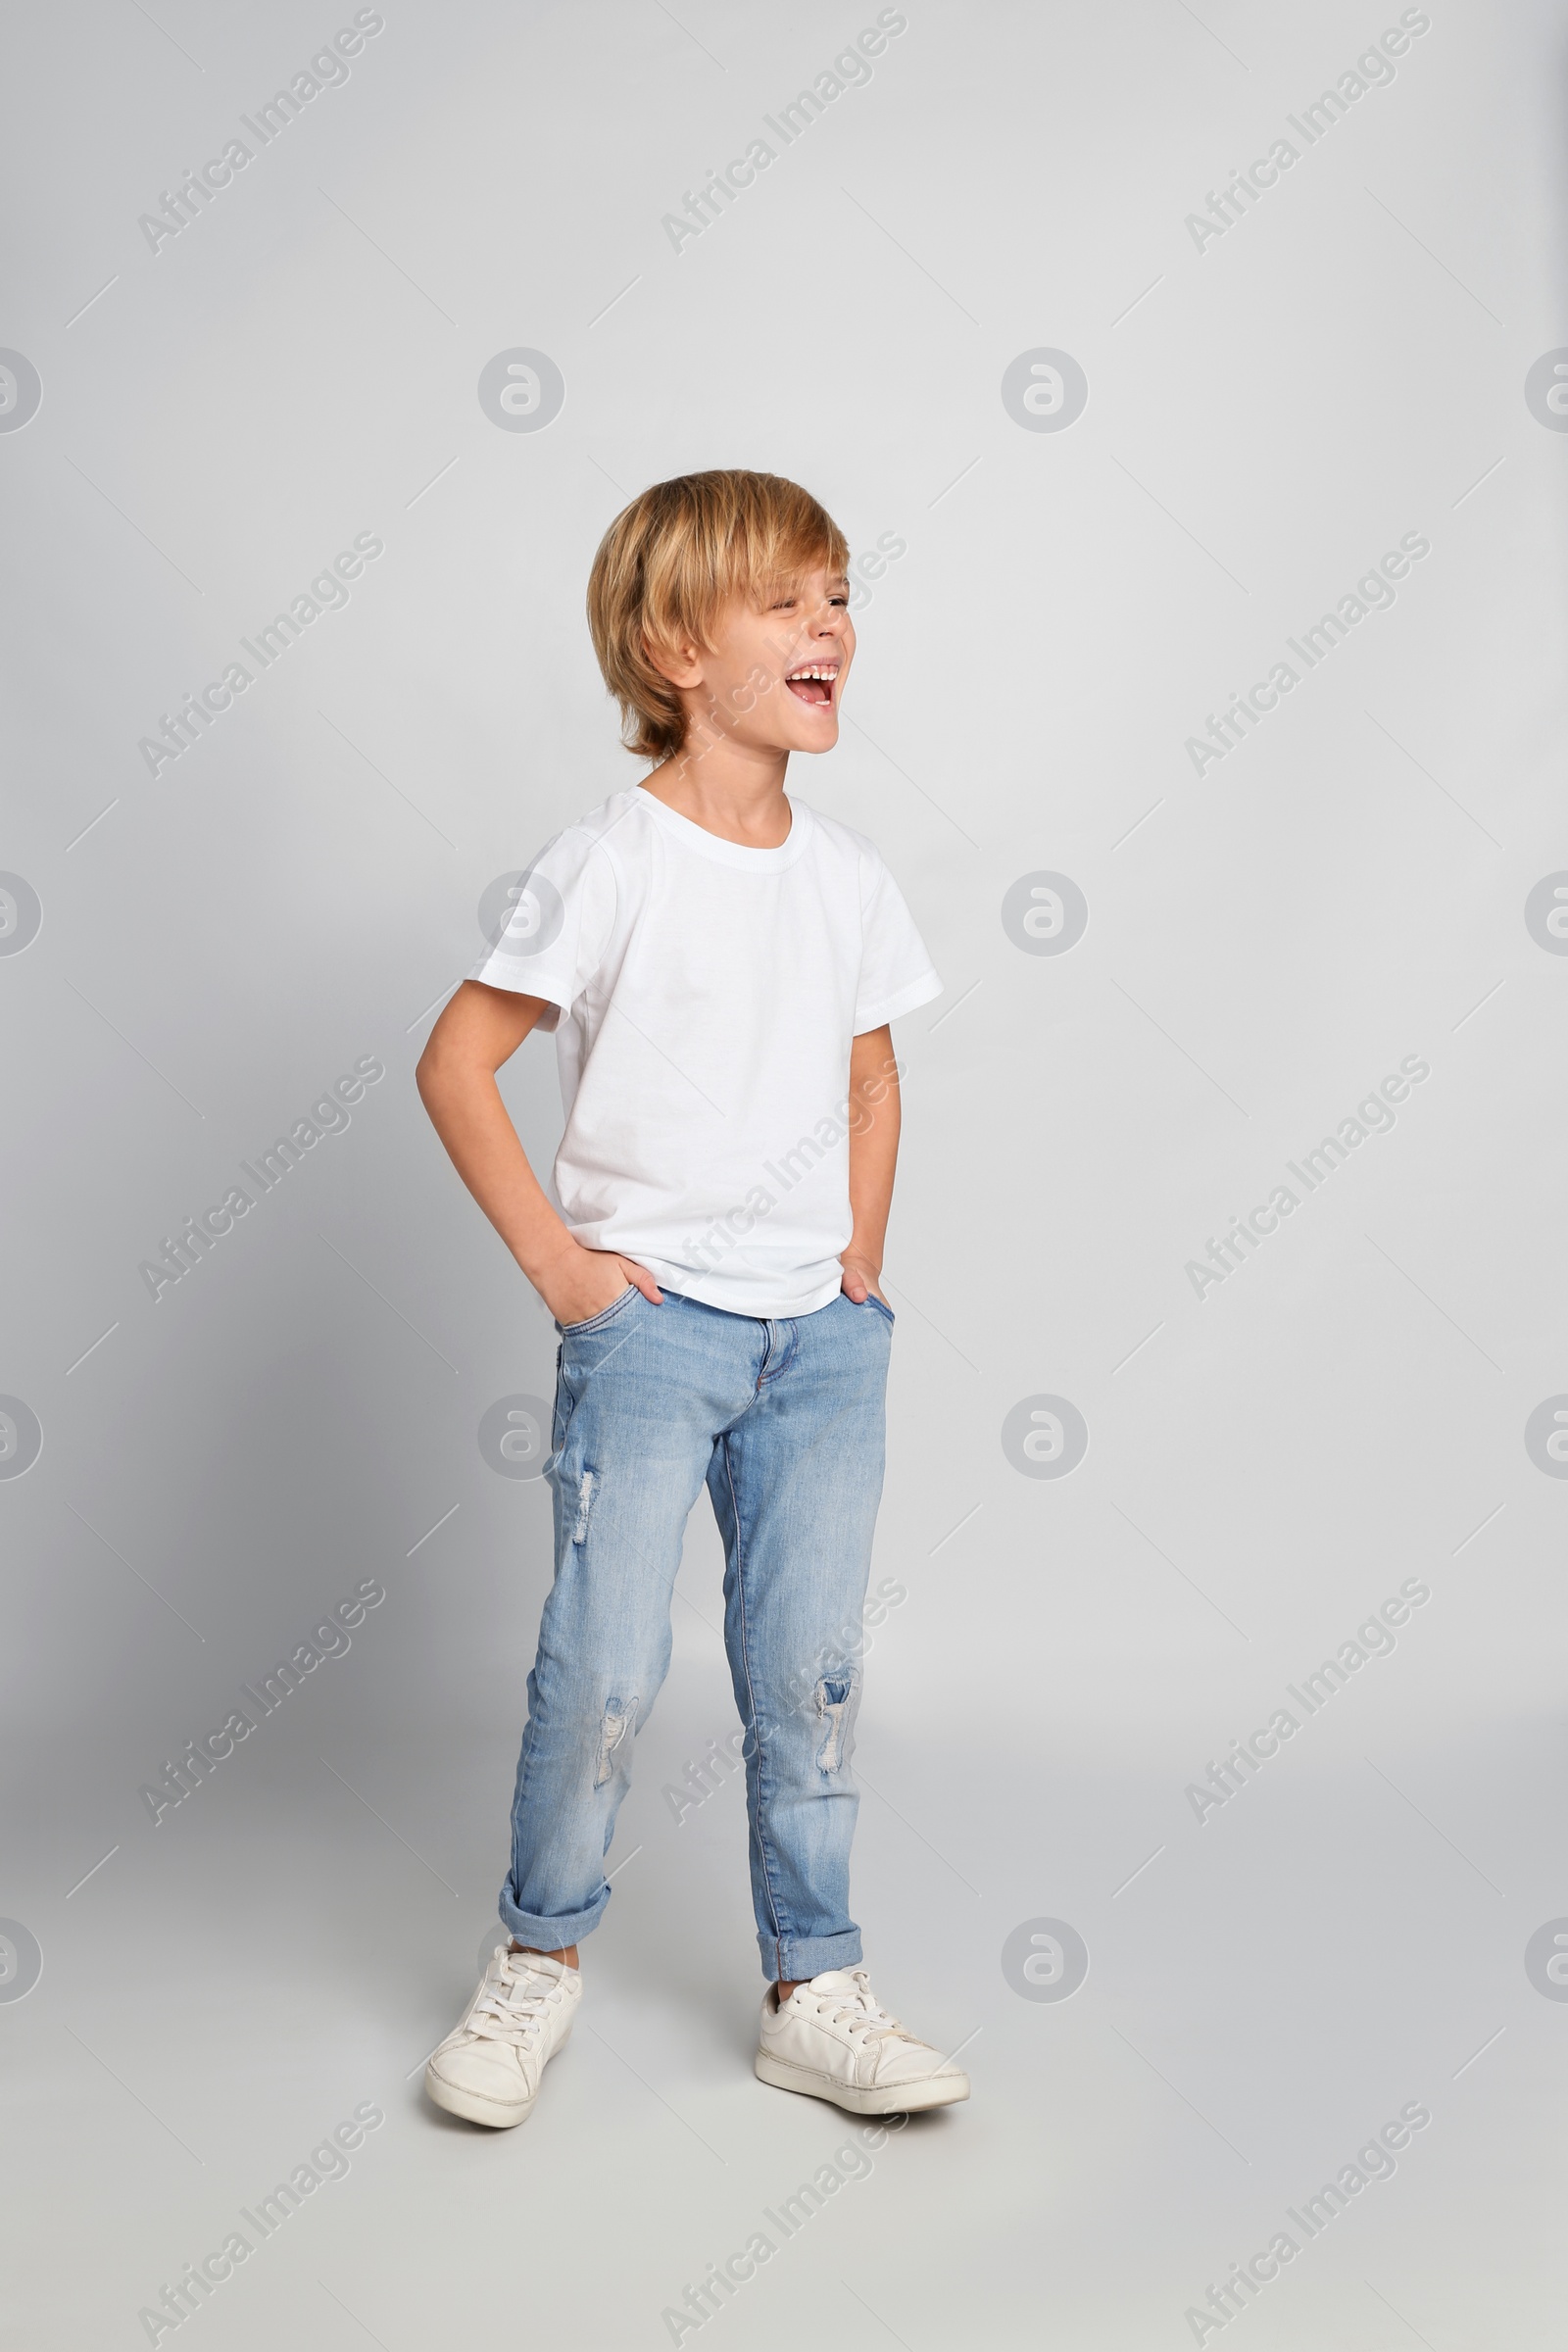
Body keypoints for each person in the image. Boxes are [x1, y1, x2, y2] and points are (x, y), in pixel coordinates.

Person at [415, 468, 968, 2128]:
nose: (833, 627)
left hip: (821, 1351)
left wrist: (856, 1270)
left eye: (841, 594)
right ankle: (538, 1961)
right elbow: (458, 1064)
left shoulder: (849, 875)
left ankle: (817, 1982)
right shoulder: (611, 861)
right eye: (789, 601)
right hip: (651, 1335)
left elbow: (873, 1085)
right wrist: (567, 1273)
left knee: (808, 1670)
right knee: (602, 1668)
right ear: (674, 647)